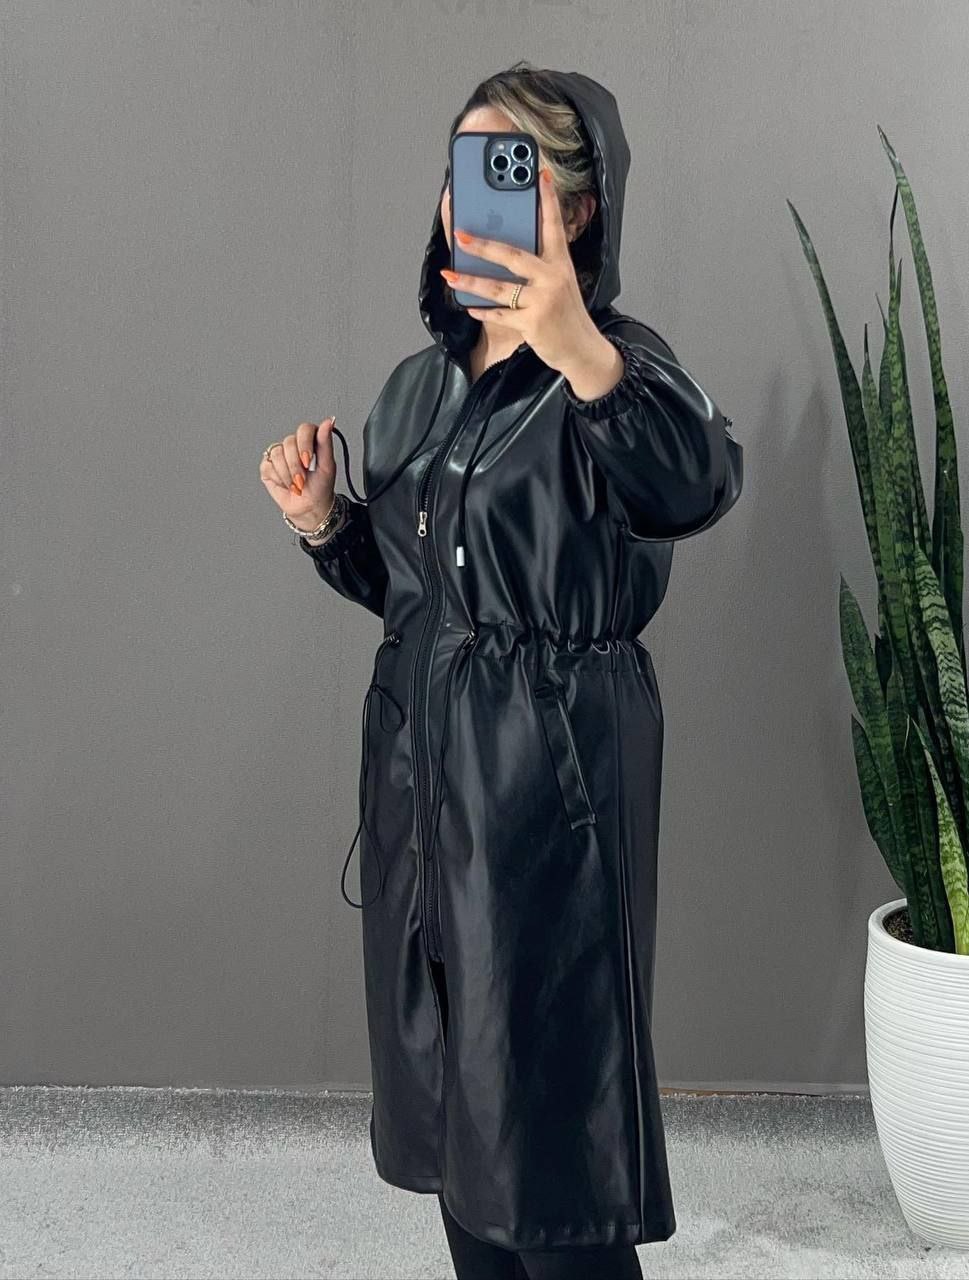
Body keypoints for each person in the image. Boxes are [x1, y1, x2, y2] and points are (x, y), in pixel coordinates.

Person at [259, 61, 742, 1280]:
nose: (468, 198)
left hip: (549, 795)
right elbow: (416, 593)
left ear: (575, 207)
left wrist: (580, 351)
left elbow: (694, 482)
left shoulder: (615, 368)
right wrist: (328, 524)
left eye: (508, 171)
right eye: (461, 170)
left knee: (552, 1144)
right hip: (427, 791)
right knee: (460, 1123)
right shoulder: (419, 387)